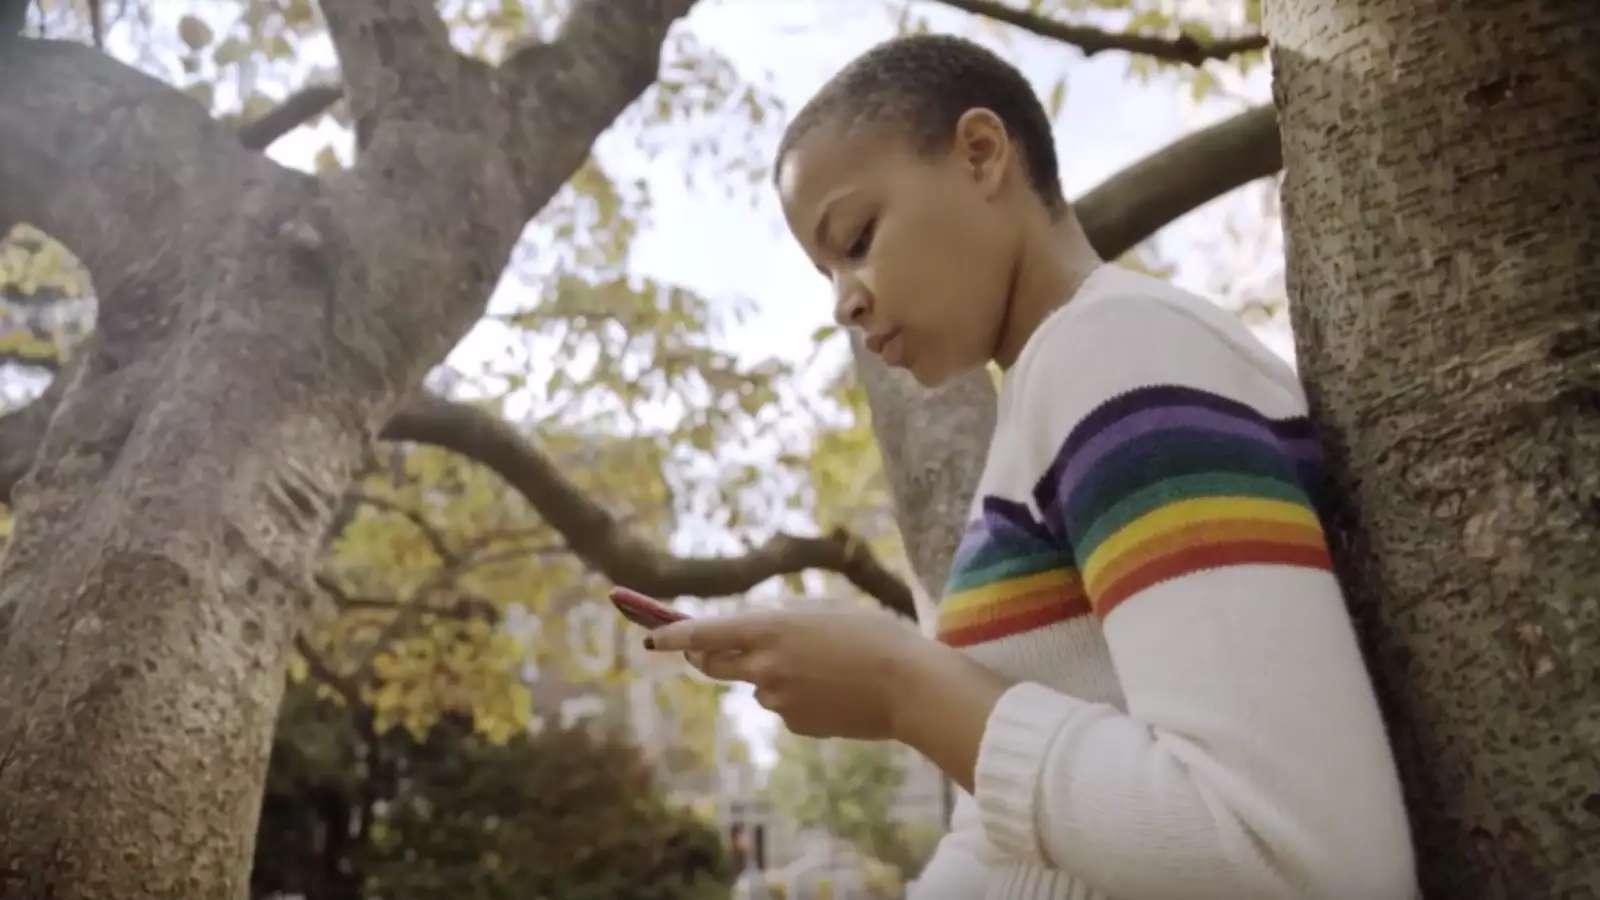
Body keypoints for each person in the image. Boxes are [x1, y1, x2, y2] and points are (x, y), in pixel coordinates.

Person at [645, 34, 1417, 900]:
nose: (843, 300)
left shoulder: (1122, 351)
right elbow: (1010, 838)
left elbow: (1302, 858)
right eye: (827, 272)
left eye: (857, 238)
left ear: (982, 153)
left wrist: (905, 688)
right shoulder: (1051, 399)